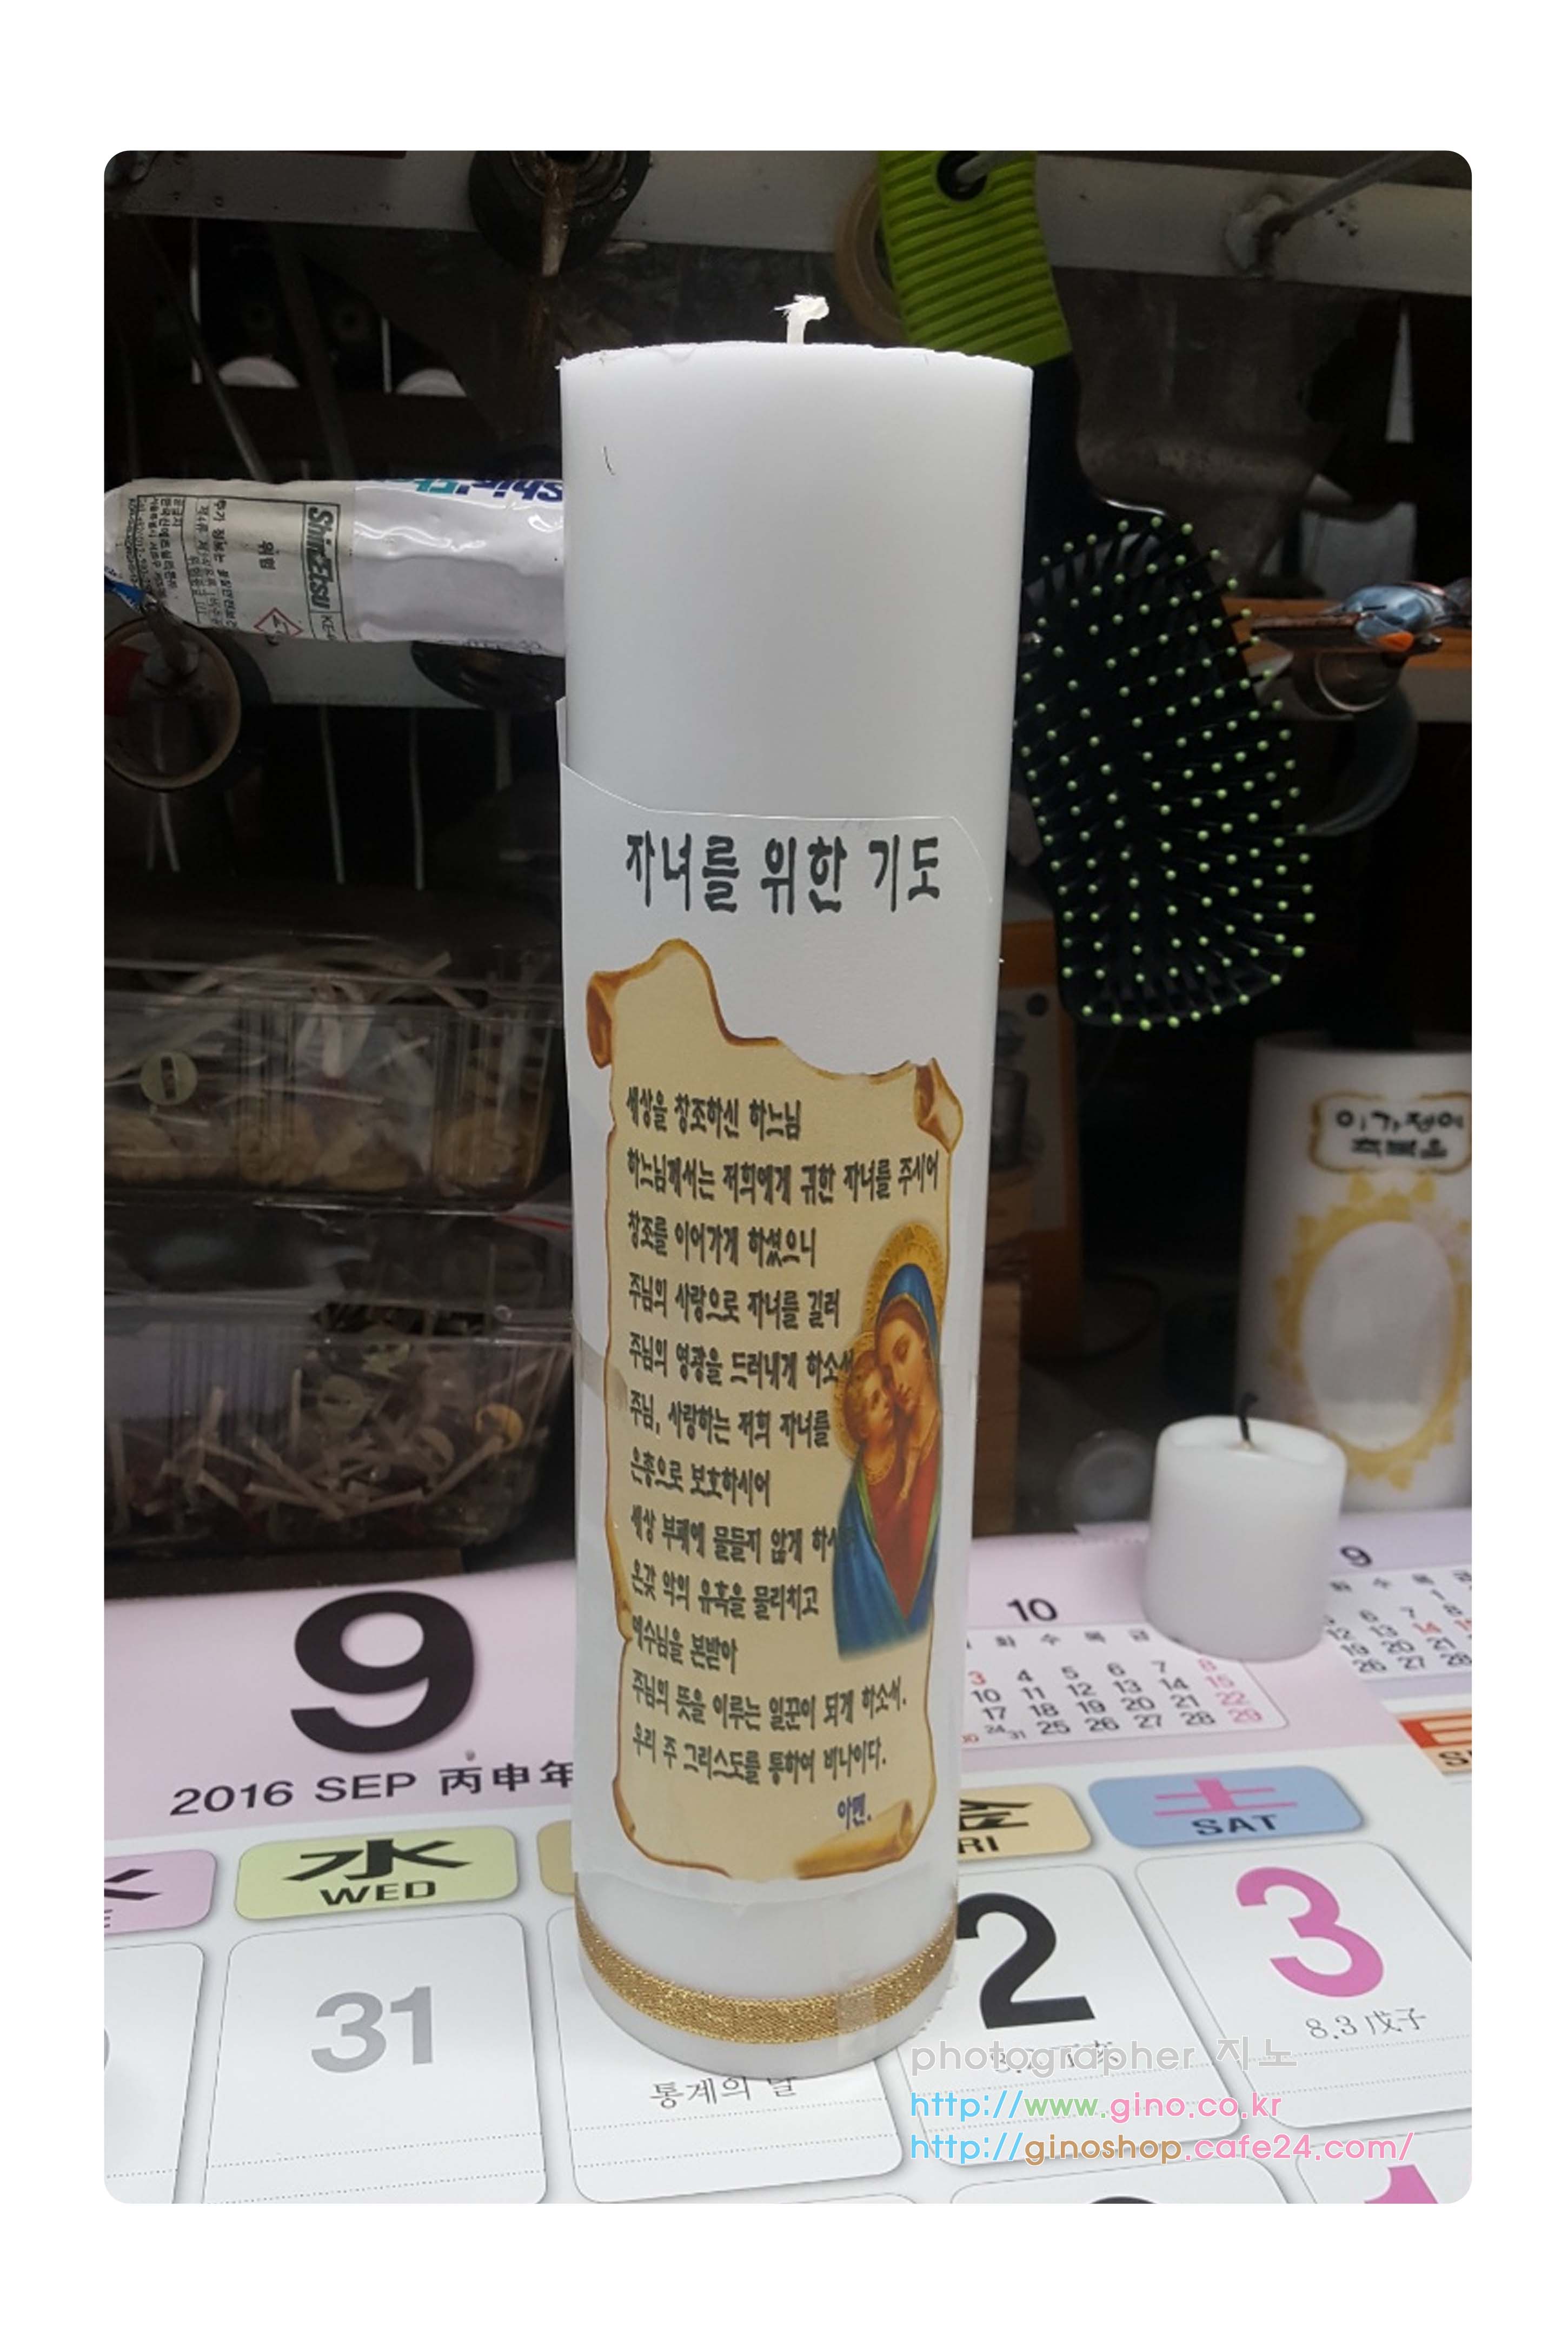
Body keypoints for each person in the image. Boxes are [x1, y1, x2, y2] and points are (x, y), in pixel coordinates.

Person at [833, 1262, 942, 1655]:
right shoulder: (888, 1457)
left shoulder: (934, 1442)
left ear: (926, 1339)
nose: (895, 1381)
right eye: (885, 1369)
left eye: (903, 1352)